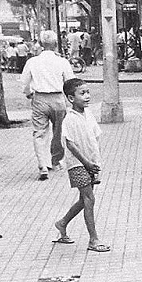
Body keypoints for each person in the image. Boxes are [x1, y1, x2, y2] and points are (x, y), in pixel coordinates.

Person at [53, 78, 110, 253]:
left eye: (88, 92)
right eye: (82, 93)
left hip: (91, 163)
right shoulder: (69, 119)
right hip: (77, 164)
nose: (87, 96)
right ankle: (93, 240)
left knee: (84, 199)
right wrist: (86, 162)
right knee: (89, 199)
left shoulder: (89, 114)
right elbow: (70, 144)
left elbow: (95, 138)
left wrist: (95, 162)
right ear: (71, 98)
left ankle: (62, 223)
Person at [20, 30, 75, 181]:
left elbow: (24, 82)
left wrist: (29, 94)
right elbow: (70, 82)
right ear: (56, 44)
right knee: (59, 132)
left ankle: (42, 165)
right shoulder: (62, 62)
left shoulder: (32, 62)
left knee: (39, 133)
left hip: (40, 99)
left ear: (41, 44)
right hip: (58, 99)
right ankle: (56, 161)